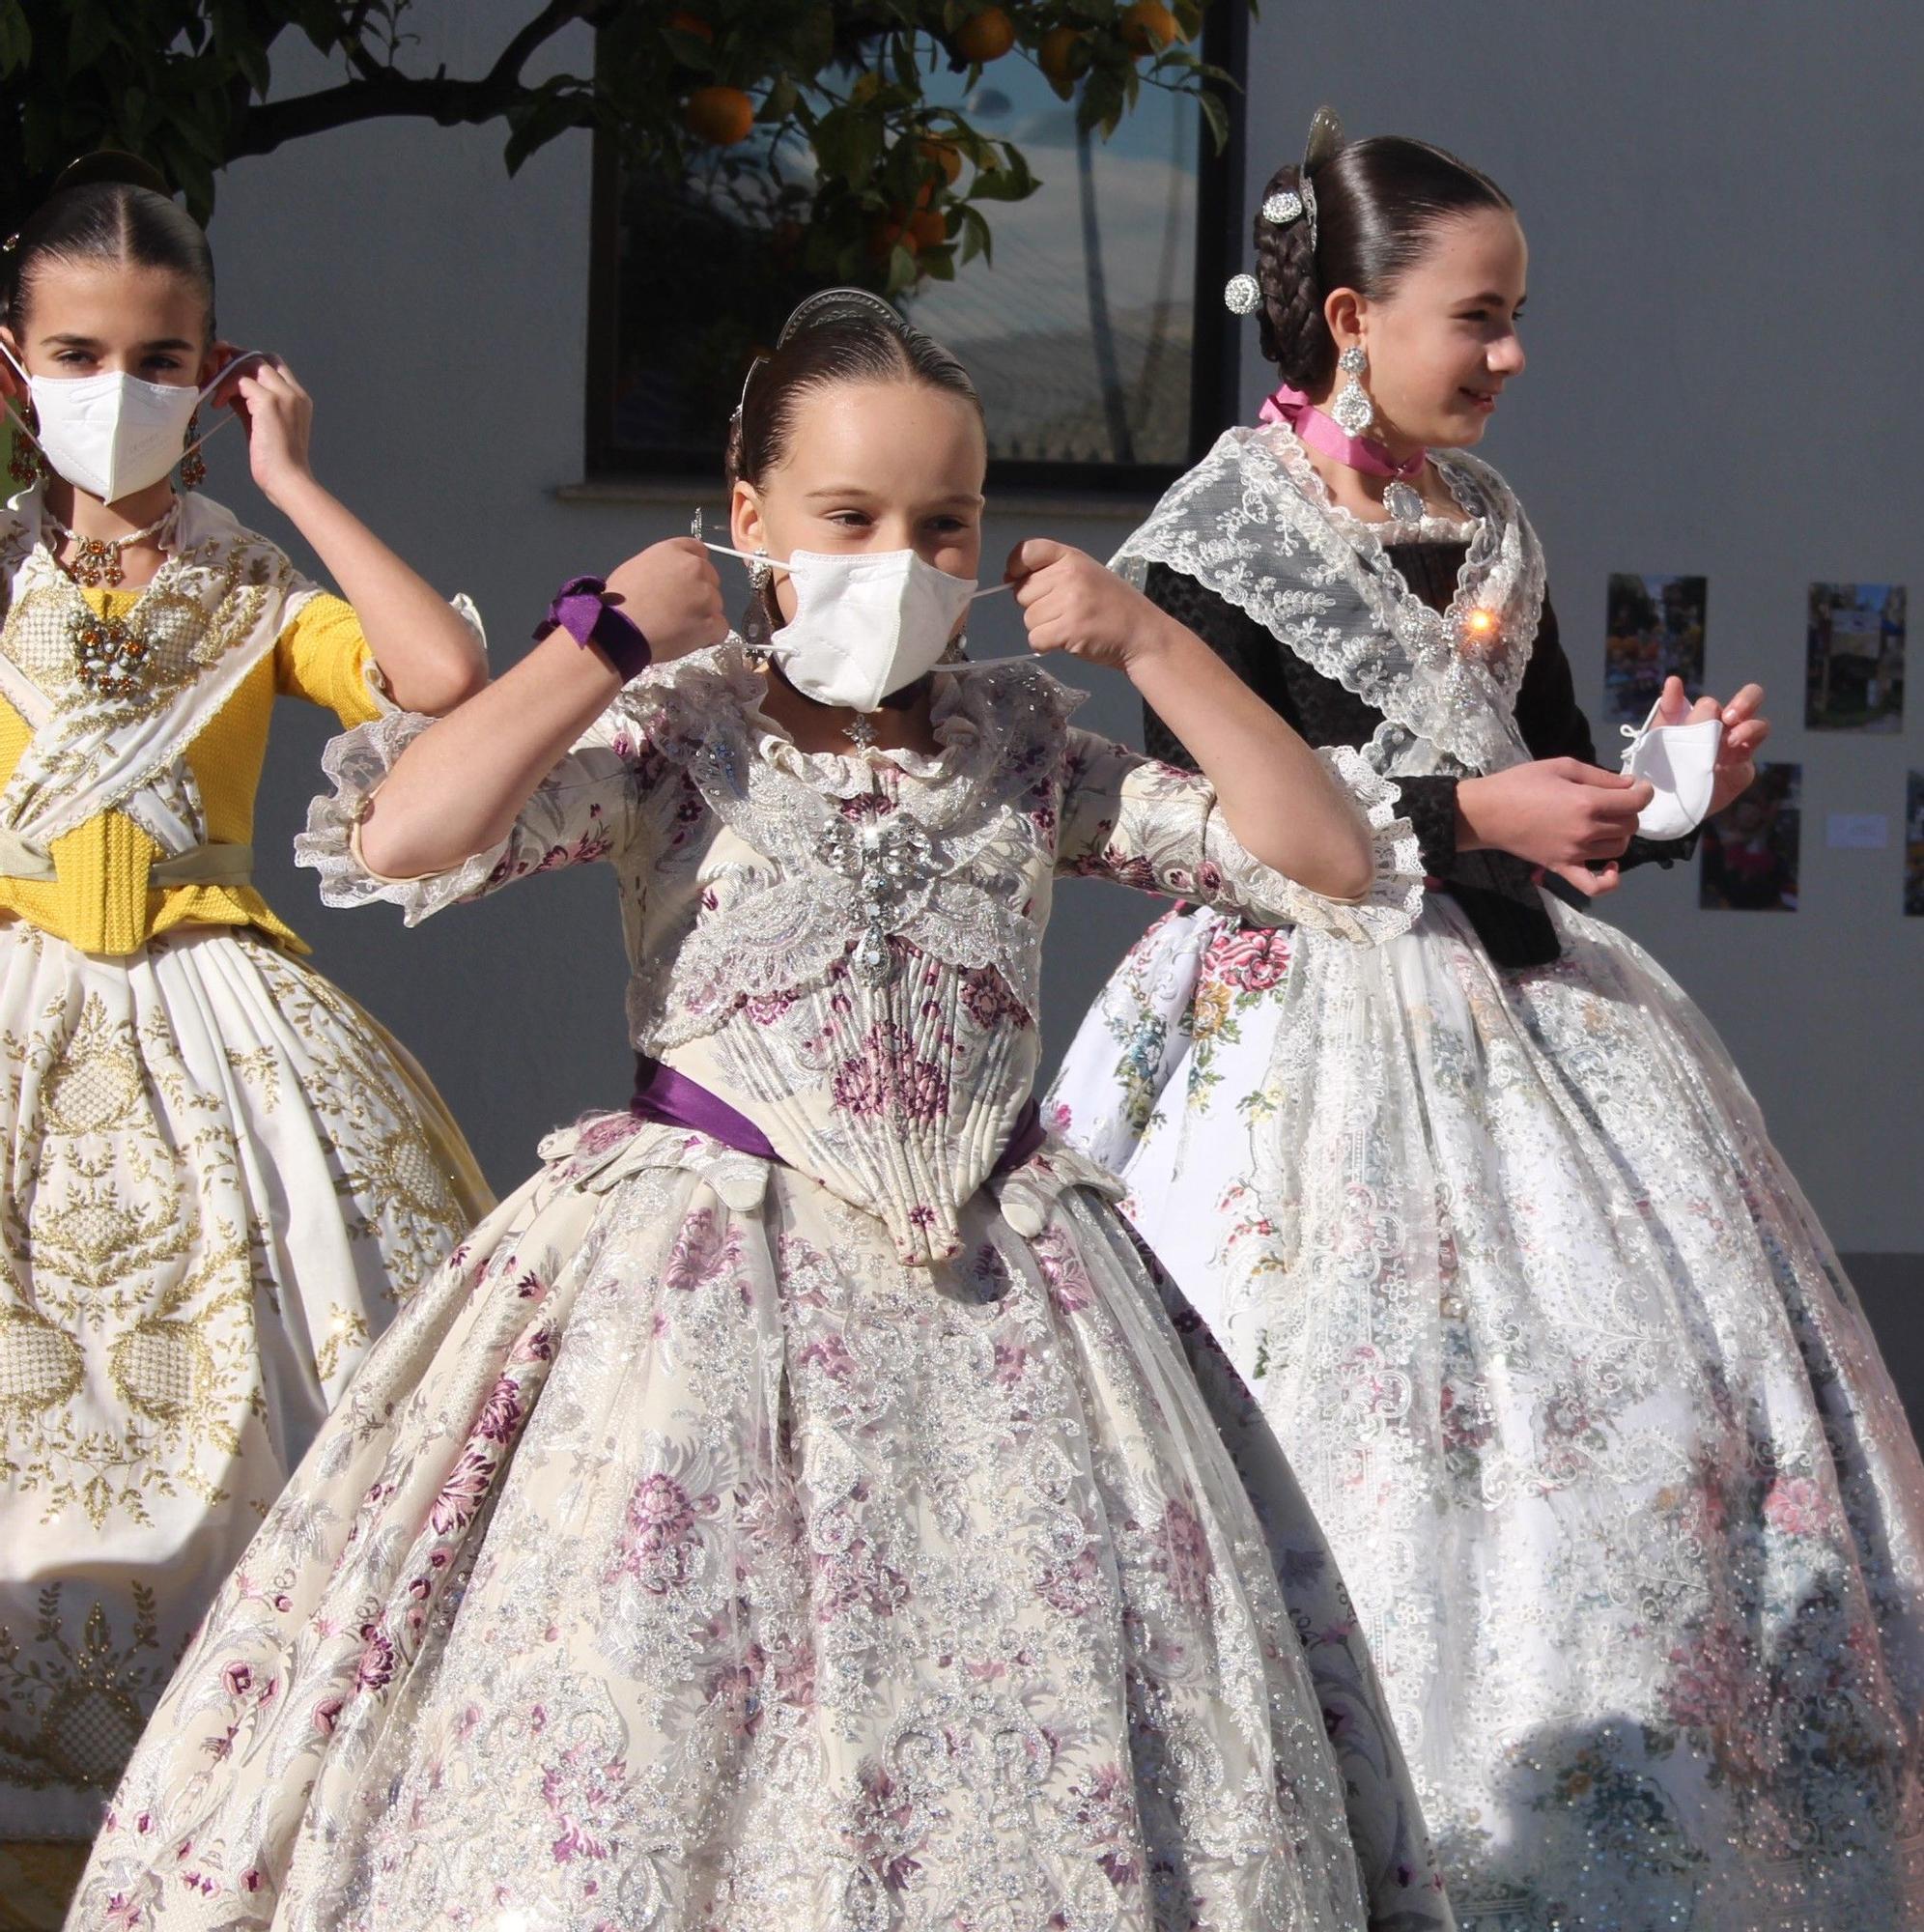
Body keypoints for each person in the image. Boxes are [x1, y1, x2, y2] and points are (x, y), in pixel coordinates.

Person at [65, 289, 1450, 1931]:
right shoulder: (673, 731)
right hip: (693, 1305)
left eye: (948, 527)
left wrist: (1154, 643)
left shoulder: (1022, 746)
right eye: (851, 518)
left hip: (1009, 1318)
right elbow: (404, 836)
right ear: (748, 522)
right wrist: (598, 642)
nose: (905, 561)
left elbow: (1327, 860)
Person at [1049, 112, 1924, 1930]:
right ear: (1353, 316)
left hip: (1549, 1037)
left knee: (1661, 1447)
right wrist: (1469, 818)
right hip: (1293, 1054)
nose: (1515, 355)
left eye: (1519, 315)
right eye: (1485, 317)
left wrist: (1651, 796)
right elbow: (1201, 833)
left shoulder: (1487, 519)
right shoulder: (1205, 543)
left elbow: (1547, 810)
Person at [0, 156, 491, 1913]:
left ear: (216, 370)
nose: (115, 393)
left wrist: (292, 479)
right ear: (13, 364)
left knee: (271, 1452)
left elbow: (439, 675)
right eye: (75, 354)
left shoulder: (251, 588)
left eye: (161, 357)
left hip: (227, 1039)